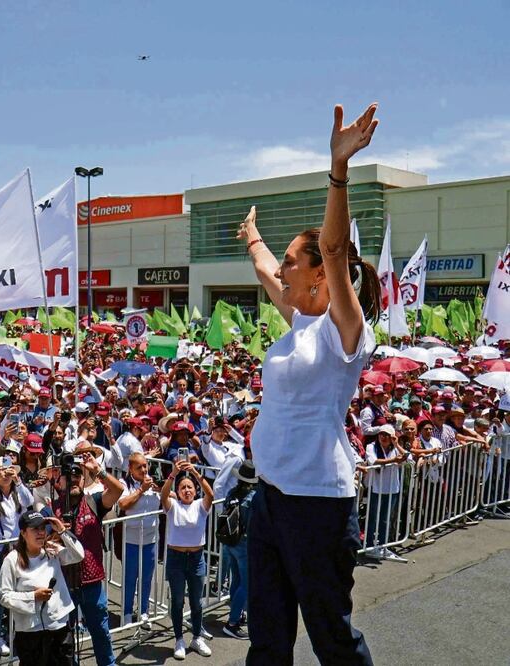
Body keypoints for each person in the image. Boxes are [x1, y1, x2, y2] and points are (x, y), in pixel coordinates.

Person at [237, 102, 381, 664]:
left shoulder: (342, 332)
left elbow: (335, 248)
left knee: (332, 640)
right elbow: (262, 268)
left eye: (292, 264)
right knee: (268, 640)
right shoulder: (298, 322)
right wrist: (253, 237)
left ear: (321, 274)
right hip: (270, 499)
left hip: (317, 506)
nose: (282, 272)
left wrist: (338, 169)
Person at [52, 449, 124, 666]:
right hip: (64, 582)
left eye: (78, 475)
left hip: (92, 582)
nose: (74, 479)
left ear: (84, 481)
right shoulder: (52, 509)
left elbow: (118, 490)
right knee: (65, 636)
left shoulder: (94, 502)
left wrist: (98, 470)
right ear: (59, 482)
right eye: (68, 476)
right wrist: (56, 533)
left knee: (100, 631)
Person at [0, 510, 83, 666]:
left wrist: (62, 530)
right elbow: (3, 596)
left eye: (43, 528)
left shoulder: (52, 550)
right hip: (30, 632)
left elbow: (78, 555)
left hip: (59, 626)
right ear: (23, 533)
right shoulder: (12, 559)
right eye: (35, 529)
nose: (41, 533)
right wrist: (33, 597)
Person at [0, 455, 34, 656]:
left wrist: (18, 481)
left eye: (8, 471)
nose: (6, 475)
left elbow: (30, 501)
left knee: (22, 589)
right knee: (1, 595)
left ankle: (20, 633)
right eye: (1, 471)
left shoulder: (18, 494)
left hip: (18, 548)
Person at [160, 460, 213, 659]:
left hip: (197, 559)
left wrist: (196, 474)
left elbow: (210, 495)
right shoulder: (173, 506)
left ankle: (197, 637)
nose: (187, 490)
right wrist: (173, 474)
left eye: (190, 487)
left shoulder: (201, 506)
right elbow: (163, 495)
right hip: (176, 559)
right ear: (178, 491)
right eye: (183, 488)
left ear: (195, 490)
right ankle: (179, 640)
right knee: (177, 601)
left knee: (197, 602)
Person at [115, 452, 160, 627]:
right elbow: (123, 504)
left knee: (146, 578)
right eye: (139, 467)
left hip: (151, 538)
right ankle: (127, 613)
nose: (143, 470)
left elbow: (169, 497)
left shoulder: (152, 482)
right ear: (130, 469)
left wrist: (161, 489)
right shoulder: (124, 483)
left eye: (145, 465)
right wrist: (141, 490)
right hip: (131, 539)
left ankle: (143, 612)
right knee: (130, 578)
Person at [219, 460, 257, 640]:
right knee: (246, 583)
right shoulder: (253, 498)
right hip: (244, 544)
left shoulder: (231, 493)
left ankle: (238, 613)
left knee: (236, 580)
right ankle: (232, 623)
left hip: (230, 541)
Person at [362, 424, 408, 558]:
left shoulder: (395, 448)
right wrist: (393, 460)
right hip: (376, 487)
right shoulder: (371, 446)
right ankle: (369, 546)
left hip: (392, 488)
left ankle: (383, 545)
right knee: (372, 517)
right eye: (382, 434)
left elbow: (407, 457)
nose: (384, 437)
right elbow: (373, 461)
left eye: (387, 435)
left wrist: (396, 444)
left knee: (385, 518)